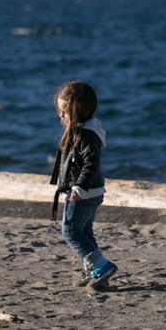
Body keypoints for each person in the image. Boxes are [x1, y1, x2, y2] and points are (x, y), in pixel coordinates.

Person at [50, 80, 117, 290]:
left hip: (84, 193)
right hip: (88, 192)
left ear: (78, 110)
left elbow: (91, 164)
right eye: (59, 111)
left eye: (65, 112)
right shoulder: (80, 130)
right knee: (85, 233)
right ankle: (96, 272)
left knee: (71, 231)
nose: (61, 116)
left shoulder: (87, 134)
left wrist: (79, 187)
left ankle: (102, 266)